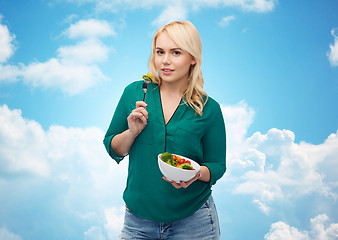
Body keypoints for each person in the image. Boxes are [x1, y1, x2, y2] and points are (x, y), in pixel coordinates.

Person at [103, 20, 226, 240]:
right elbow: (114, 148)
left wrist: (196, 174)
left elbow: (217, 165)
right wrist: (132, 132)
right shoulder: (135, 93)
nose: (165, 61)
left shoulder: (209, 109)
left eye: (176, 52)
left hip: (194, 220)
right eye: (160, 52)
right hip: (138, 220)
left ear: (192, 59)